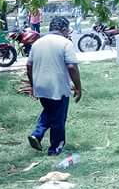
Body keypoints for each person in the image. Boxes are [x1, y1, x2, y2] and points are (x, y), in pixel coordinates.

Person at [26, 16, 82, 156]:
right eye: (67, 30)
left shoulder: (37, 43)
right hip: (57, 87)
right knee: (58, 117)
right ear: (63, 29)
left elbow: (28, 65)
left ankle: (37, 134)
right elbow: (72, 67)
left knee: (50, 110)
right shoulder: (65, 43)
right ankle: (55, 148)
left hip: (40, 86)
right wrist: (78, 86)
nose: (68, 33)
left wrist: (33, 85)